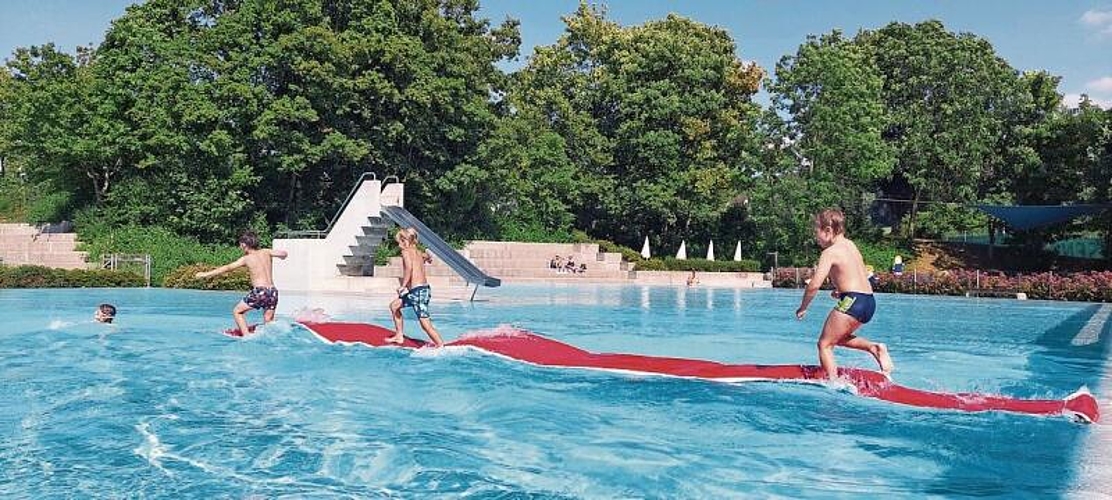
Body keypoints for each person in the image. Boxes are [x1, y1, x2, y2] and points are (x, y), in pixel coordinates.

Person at [795, 209, 894, 380]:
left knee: (824, 344)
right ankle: (874, 348)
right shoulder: (851, 245)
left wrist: (803, 307)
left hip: (853, 301)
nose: (816, 237)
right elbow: (861, 274)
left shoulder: (829, 252)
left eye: (816, 232)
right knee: (836, 337)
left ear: (827, 230)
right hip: (869, 301)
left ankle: (833, 384)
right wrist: (841, 291)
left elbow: (814, 285)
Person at [195, 231, 288, 335]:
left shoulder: (246, 259)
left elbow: (227, 268)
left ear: (244, 244)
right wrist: (282, 255)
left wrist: (205, 274)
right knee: (268, 320)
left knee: (237, 311)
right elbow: (283, 253)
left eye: (240, 244)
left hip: (260, 292)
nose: (240, 247)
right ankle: (278, 332)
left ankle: (246, 336)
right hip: (272, 292)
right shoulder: (266, 251)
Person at [386, 227, 445, 347]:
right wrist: (428, 258)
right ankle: (399, 336)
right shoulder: (419, 252)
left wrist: (403, 286)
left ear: (405, 241)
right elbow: (428, 257)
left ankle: (441, 345)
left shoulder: (406, 252)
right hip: (421, 290)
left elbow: (409, 268)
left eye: (399, 241)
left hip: (418, 292)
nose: (398, 245)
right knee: (394, 306)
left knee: (425, 324)